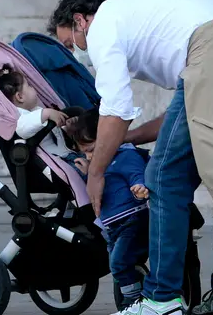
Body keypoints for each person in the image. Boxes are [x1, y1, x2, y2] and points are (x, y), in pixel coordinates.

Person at [47, 0, 213, 315]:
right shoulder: (142, 16)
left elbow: (116, 109)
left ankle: (161, 299)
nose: (75, 53)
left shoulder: (104, 24)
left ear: (80, 21)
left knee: (162, 179)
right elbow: (187, 110)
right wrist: (127, 138)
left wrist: (98, 172)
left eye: (68, 43)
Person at [70, 106, 151, 308]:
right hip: (113, 227)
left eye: (91, 150)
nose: (89, 156)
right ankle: (133, 296)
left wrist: (139, 186)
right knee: (118, 264)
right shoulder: (98, 165)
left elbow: (136, 173)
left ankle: (133, 302)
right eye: (84, 152)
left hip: (132, 220)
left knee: (119, 263)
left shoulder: (125, 156)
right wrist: (87, 173)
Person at [0, 65, 86, 175]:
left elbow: (51, 135)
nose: (33, 88)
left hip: (66, 155)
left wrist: (67, 129)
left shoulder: (35, 111)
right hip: (56, 163)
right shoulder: (21, 117)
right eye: (29, 86)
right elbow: (22, 129)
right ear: (20, 97)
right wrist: (47, 113)